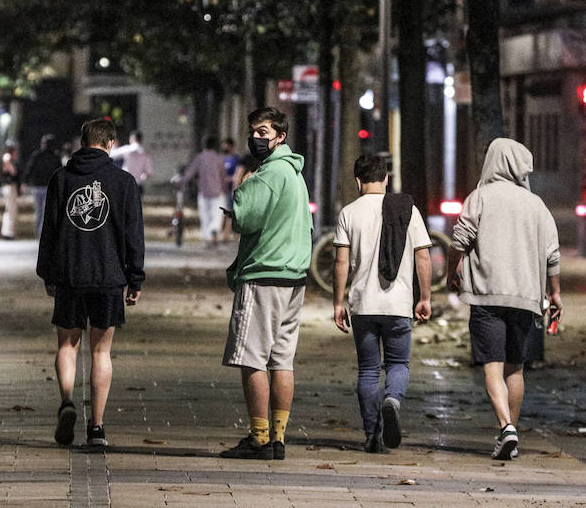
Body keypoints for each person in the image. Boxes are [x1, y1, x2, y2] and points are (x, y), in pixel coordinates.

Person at [446, 137, 561, 461]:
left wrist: (451, 272)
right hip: (525, 296)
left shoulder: (479, 197)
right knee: (516, 369)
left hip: (487, 295)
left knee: (492, 367)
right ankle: (511, 433)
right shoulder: (536, 204)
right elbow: (552, 254)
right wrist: (555, 292)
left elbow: (461, 240)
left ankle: (505, 427)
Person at [36, 118, 145, 448]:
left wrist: (48, 272)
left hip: (70, 275)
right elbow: (133, 235)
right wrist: (134, 277)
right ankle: (96, 427)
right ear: (110, 143)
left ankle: (67, 400)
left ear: (83, 143)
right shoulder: (124, 183)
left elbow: (50, 229)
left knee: (67, 345)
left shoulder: (61, 179)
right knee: (101, 351)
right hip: (108, 277)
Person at [219, 107, 312, 460]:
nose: (256, 138)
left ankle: (258, 437)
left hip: (264, 275)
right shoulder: (296, 175)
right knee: (282, 361)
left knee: (253, 359)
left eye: (262, 131)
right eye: (253, 131)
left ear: (280, 136)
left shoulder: (269, 175)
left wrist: (242, 189)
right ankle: (279, 437)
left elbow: (244, 217)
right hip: (294, 278)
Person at [332, 154, 432, 452]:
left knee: (367, 371)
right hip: (398, 303)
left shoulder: (349, 213)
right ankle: (392, 400)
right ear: (386, 178)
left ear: (357, 181)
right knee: (399, 363)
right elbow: (423, 255)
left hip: (363, 305)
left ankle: (372, 434)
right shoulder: (407, 210)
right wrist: (424, 297)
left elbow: (341, 261)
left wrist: (338, 302)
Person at [177, 137, 228, 247]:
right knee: (217, 215)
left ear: (203, 145)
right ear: (215, 146)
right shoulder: (219, 158)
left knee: (205, 215)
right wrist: (224, 189)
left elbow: (190, 174)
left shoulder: (199, 158)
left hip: (204, 191)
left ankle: (207, 239)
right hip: (217, 191)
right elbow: (223, 176)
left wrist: (181, 181)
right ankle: (214, 230)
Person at [22, 134, 63, 237]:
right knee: (47, 211)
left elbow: (29, 168)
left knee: (39, 211)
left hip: (37, 186)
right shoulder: (55, 156)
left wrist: (25, 182)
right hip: (49, 187)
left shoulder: (37, 155)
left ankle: (39, 232)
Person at [110, 131, 155, 196]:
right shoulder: (145, 153)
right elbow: (149, 172)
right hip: (138, 185)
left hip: (125, 182)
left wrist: (113, 145)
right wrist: (142, 177)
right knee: (137, 205)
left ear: (132, 138)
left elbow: (111, 155)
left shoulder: (127, 149)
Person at [0, 141, 21, 239]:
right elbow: (13, 171)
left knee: (10, 209)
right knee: (11, 209)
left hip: (9, 186)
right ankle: (8, 232)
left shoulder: (7, 156)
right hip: (9, 186)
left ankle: (7, 231)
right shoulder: (7, 157)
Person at [220, 138, 239, 242]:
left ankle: (228, 234)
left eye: (225, 145)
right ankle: (226, 233)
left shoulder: (236, 159)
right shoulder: (222, 159)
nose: (224, 148)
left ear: (231, 146)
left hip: (233, 189)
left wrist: (230, 179)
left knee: (231, 212)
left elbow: (238, 174)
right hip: (223, 190)